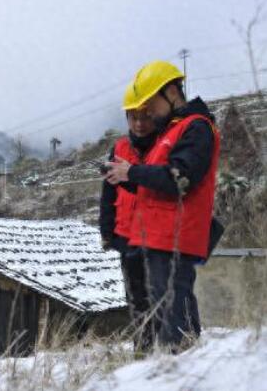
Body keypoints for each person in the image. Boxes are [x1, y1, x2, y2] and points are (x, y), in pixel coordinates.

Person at [105, 60, 220, 351]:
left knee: (172, 318)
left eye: (149, 104)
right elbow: (154, 186)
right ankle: (179, 367)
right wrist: (125, 177)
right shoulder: (173, 130)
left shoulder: (196, 128)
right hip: (158, 236)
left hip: (174, 236)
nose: (147, 113)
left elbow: (180, 180)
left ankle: (178, 369)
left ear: (170, 92)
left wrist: (131, 173)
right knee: (163, 309)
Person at [99, 89, 157, 353]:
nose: (139, 123)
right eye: (133, 117)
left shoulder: (164, 145)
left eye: (145, 116)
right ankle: (142, 349)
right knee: (135, 295)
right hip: (127, 235)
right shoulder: (119, 148)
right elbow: (108, 191)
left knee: (160, 292)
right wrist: (106, 230)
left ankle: (166, 348)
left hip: (158, 234)